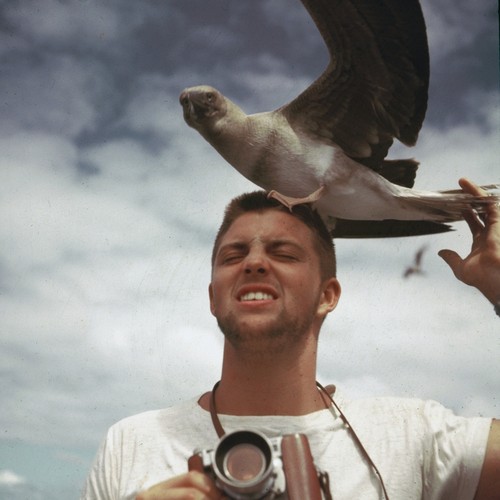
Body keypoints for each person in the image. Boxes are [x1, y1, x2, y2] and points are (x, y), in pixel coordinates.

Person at [81, 178, 499, 500]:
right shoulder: (131, 442)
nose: (255, 263)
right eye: (233, 255)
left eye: (283, 253)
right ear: (213, 297)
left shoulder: (412, 435)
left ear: (327, 295)